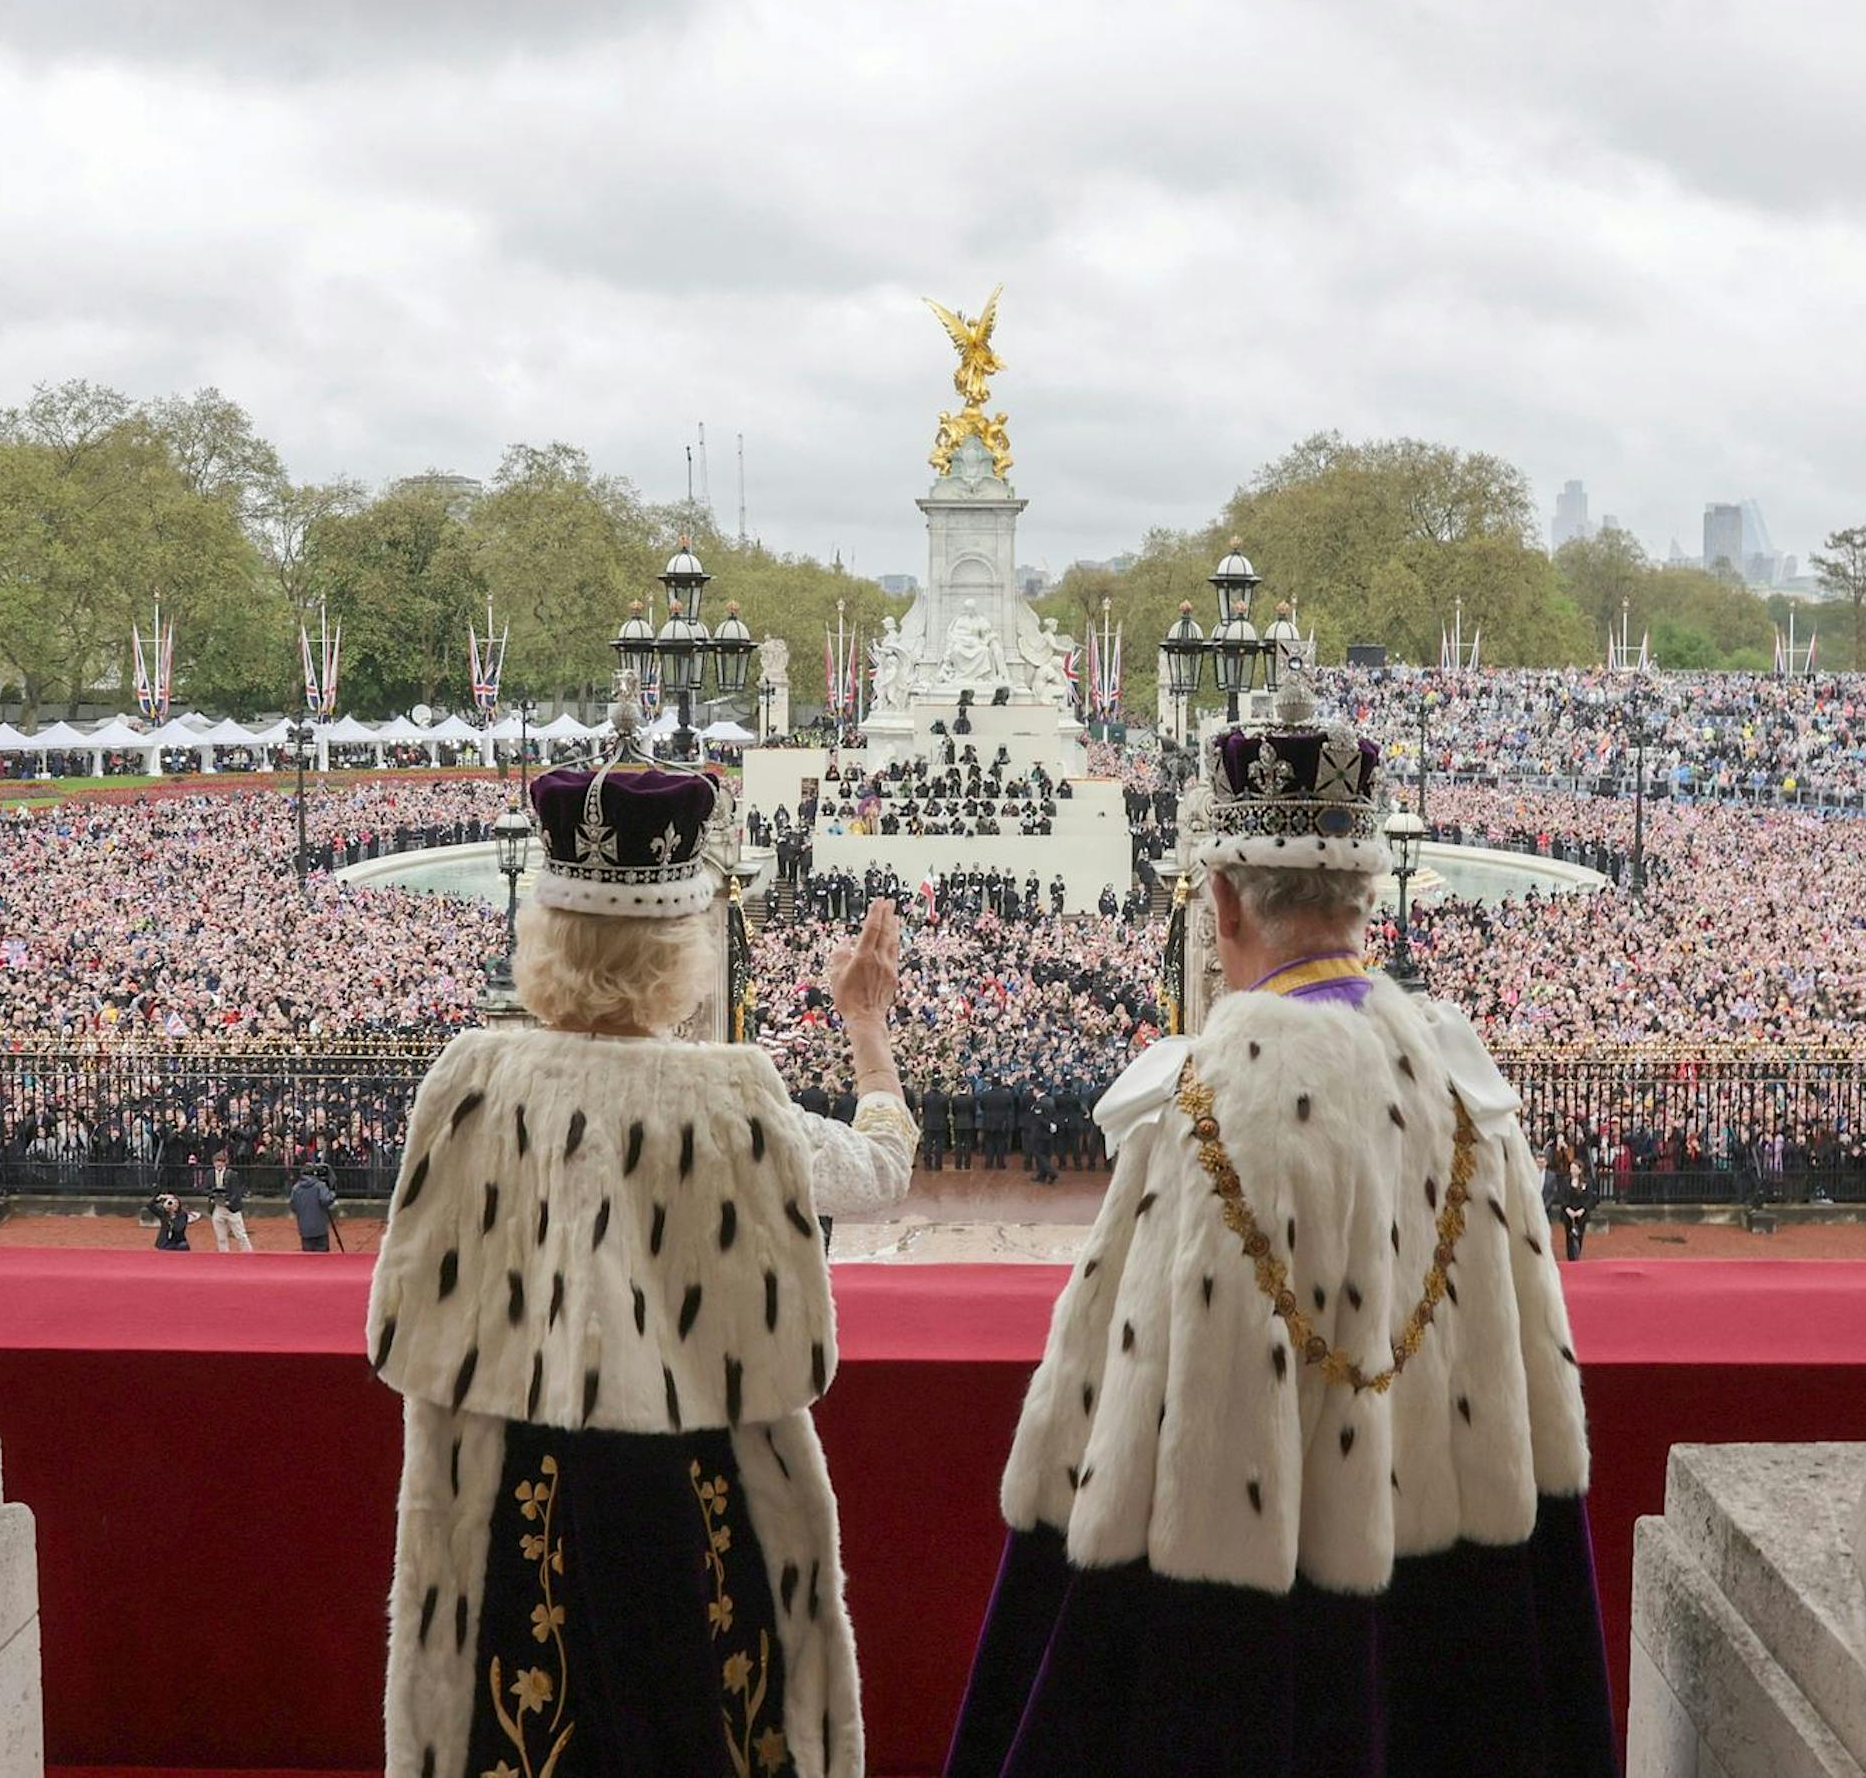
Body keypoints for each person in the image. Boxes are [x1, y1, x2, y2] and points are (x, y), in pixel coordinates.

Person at [945, 677, 1614, 1777]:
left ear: (1220, 901)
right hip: (1450, 1611)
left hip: (1247, 1625)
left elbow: (1148, 1421)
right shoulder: (1464, 1089)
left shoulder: (1204, 1102)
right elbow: (1533, 1399)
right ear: (1364, 891)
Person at [367, 762, 916, 1778]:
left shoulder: (469, 1082)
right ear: (682, 948)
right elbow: (880, 1168)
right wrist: (867, 1032)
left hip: (509, 1498)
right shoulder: (733, 1099)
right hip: (695, 1495)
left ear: (545, 935)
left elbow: (404, 1322)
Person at [202, 1146, 253, 1253]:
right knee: (221, 1237)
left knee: (240, 1235)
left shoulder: (232, 1175)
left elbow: (236, 1192)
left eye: (221, 1162)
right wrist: (213, 1195)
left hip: (232, 1209)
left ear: (225, 1163)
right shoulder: (210, 1174)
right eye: (216, 1162)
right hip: (217, 1208)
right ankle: (224, 1255)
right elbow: (204, 1189)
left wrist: (228, 1201)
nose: (218, 1164)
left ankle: (248, 1254)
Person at [289, 1163, 337, 1252]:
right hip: (320, 1228)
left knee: (308, 1257)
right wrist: (332, 1193)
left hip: (305, 1229)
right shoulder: (320, 1186)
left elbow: (293, 1205)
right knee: (322, 1256)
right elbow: (326, 1200)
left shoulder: (296, 1188)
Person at [1561, 1154, 1597, 1261]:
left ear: (1580, 1170)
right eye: (1571, 1168)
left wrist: (1582, 1210)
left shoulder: (1586, 1182)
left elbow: (1589, 1198)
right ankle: (1570, 1257)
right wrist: (1568, 1209)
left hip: (1581, 1214)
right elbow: (1562, 1196)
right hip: (1568, 1213)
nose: (1572, 1170)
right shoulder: (1565, 1181)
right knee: (1569, 1236)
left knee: (1579, 1235)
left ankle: (1577, 1254)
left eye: (1574, 1168)